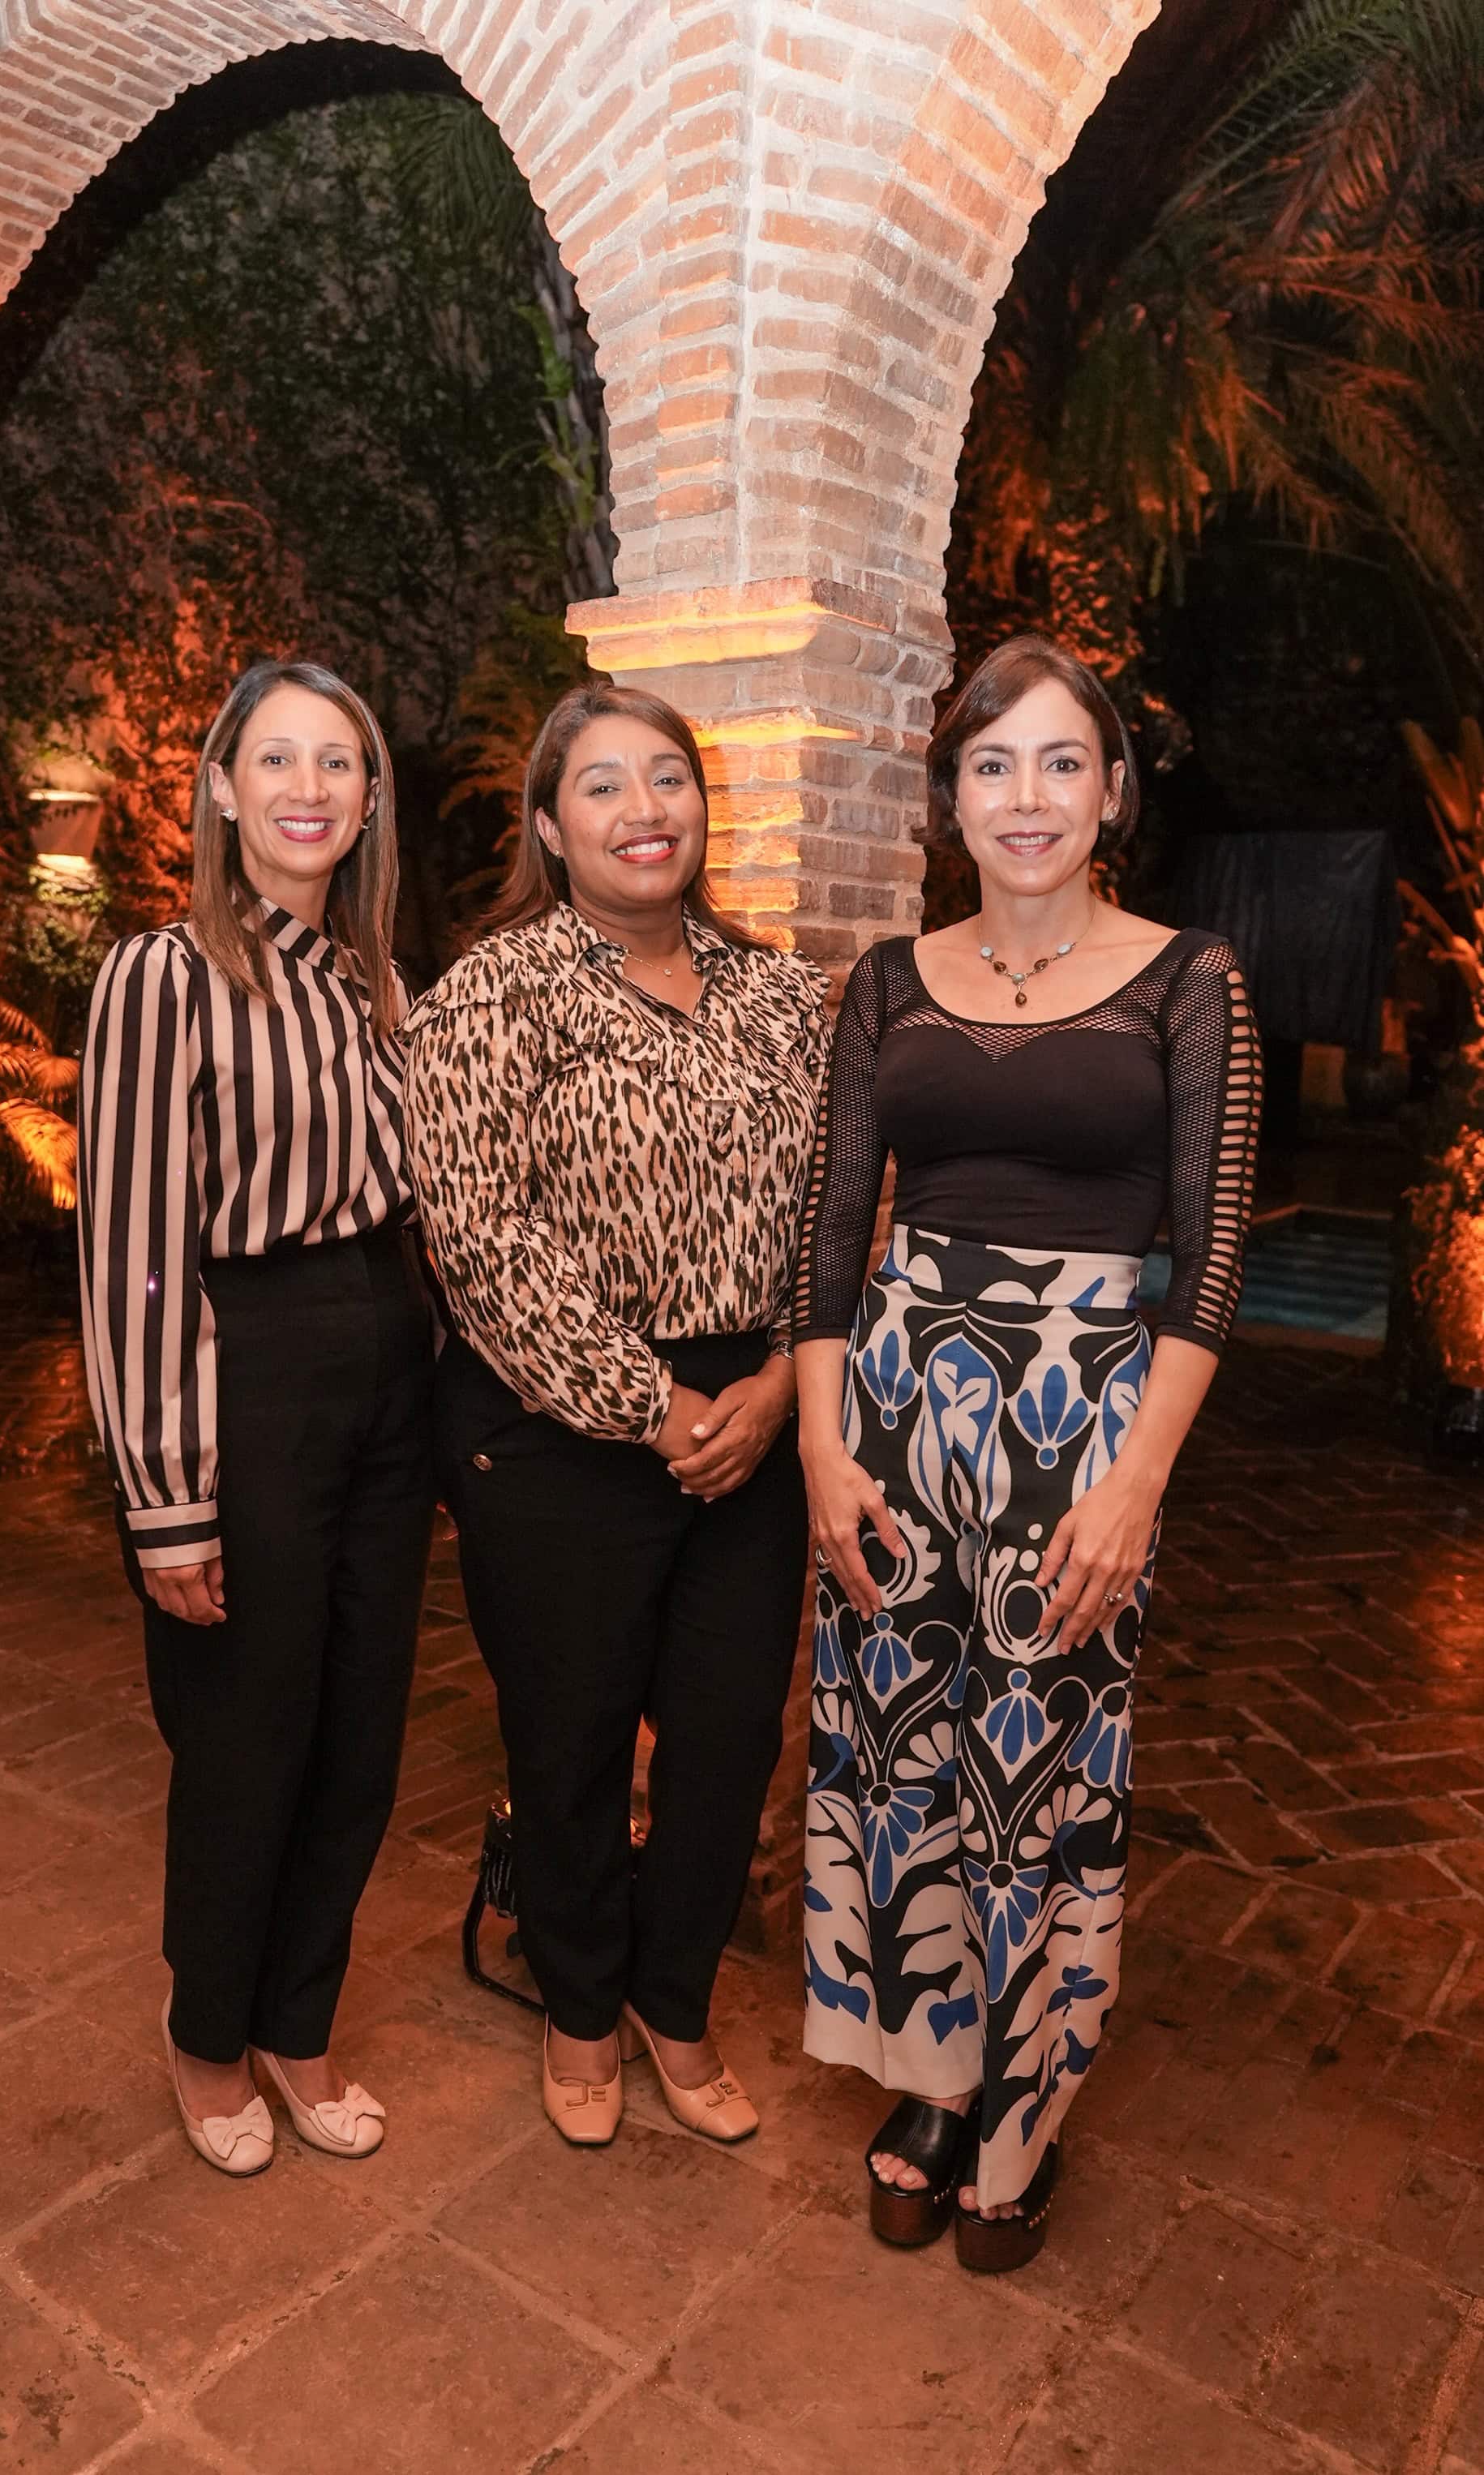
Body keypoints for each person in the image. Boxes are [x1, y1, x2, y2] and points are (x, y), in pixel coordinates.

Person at [794, 634, 1260, 2270]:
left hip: (1084, 1431)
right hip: (904, 1418)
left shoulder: (1188, 976)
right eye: (993, 765)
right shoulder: (886, 981)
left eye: (1062, 761)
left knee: (1043, 1775)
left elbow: (1209, 1258)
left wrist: (1136, 1483)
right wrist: (824, 1454)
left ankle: (1022, 2096)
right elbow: (831, 1235)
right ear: (951, 798)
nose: (1028, 797)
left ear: (1115, 788)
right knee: (905, 1753)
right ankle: (927, 2081)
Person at [403, 683, 831, 2147]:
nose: (645, 810)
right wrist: (655, 1409)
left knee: (723, 1747)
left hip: (756, 1416)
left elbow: (835, 1215)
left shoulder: (784, 1000)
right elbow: (479, 1240)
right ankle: (581, 2009)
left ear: (703, 814)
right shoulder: (491, 995)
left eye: (669, 781)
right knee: (570, 1739)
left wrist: (778, 1382)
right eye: (604, 787)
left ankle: (676, 2001)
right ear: (548, 826)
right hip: (556, 1423)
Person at [78, 658, 435, 2177]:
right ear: (222, 790)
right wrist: (166, 1496)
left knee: (360, 1733)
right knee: (247, 1736)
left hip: (386, 1366)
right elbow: (137, 1251)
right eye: (276, 760)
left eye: (337, 763)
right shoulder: (167, 975)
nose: (308, 788)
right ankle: (206, 2037)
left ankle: (299, 2024)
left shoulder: (368, 979)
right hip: (250, 1366)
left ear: (367, 798)